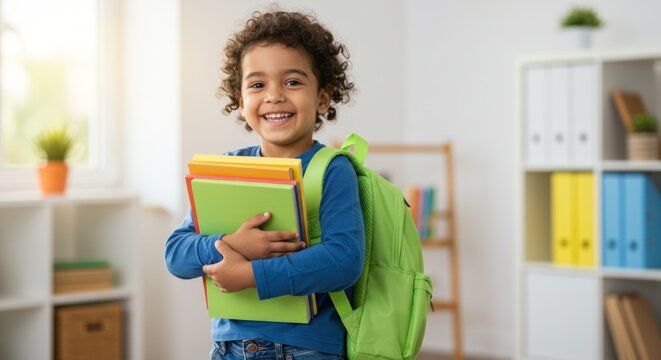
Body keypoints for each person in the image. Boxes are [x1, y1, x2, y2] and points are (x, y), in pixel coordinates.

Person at [164, 8, 365, 360]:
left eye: (292, 81)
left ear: (322, 97)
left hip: (307, 349)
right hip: (230, 347)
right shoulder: (225, 168)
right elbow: (176, 254)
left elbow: (343, 261)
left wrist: (252, 274)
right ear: (241, 102)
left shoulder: (332, 169)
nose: (274, 95)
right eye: (257, 84)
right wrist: (230, 244)